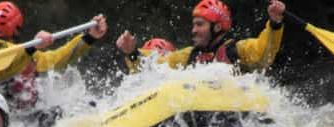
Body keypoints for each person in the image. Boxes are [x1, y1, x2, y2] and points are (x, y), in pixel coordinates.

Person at [0, 2, 108, 114]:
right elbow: (2, 68)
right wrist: (31, 48)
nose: (26, 75)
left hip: (27, 119)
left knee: (78, 107)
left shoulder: (29, 55)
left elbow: (59, 58)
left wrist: (89, 37)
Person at [116, 0, 285, 73]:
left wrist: (275, 24)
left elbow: (264, 54)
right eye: (194, 24)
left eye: (199, 24)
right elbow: (155, 66)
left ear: (217, 27)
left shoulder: (237, 50)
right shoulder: (188, 56)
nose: (193, 30)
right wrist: (132, 53)